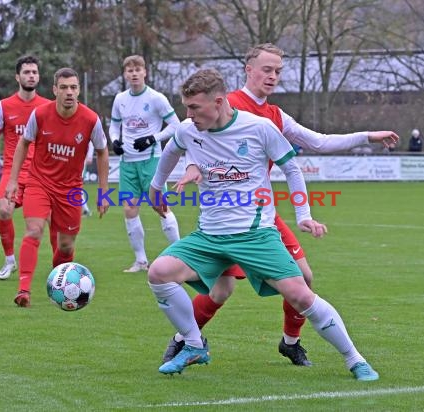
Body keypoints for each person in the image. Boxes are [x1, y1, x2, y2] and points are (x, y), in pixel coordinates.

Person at [162, 43, 399, 368]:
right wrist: (191, 167)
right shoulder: (216, 104)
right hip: (226, 218)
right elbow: (194, 140)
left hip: (261, 217)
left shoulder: (273, 115)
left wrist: (367, 136)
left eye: (278, 71)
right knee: (221, 291)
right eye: (266, 69)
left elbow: (318, 141)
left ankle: (290, 342)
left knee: (303, 278)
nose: (273, 76)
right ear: (248, 69)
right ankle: (185, 340)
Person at [5, 67, 109, 307]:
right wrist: (12, 180)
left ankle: (59, 283)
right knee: (34, 230)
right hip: (39, 182)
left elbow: (103, 153)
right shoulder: (40, 115)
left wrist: (103, 192)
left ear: (79, 90)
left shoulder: (91, 119)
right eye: (63, 87)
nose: (69, 92)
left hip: (71, 190)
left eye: (73, 87)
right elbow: (23, 144)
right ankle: (23, 290)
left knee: (66, 246)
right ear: (55, 90)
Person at [0, 55, 54, 280]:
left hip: (40, 175)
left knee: (53, 220)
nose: (31, 76)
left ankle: (59, 266)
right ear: (17, 76)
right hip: (12, 172)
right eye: (27, 72)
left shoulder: (47, 107)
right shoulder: (4, 106)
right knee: (4, 210)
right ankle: (10, 260)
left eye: (34, 72)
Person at [109, 55, 181, 272]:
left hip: (151, 160)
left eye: (137, 69)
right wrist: (115, 141)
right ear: (124, 74)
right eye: (129, 70)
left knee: (160, 207)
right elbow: (114, 126)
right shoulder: (120, 98)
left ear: (145, 72)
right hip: (127, 162)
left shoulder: (156, 98)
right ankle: (141, 260)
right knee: (130, 209)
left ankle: (179, 255)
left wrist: (153, 138)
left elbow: (175, 125)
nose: (133, 73)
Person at [82, 142, 94, 217]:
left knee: (77, 188)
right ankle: (86, 210)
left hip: (81, 162)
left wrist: (89, 156)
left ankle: (86, 210)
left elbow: (90, 143)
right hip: (75, 161)